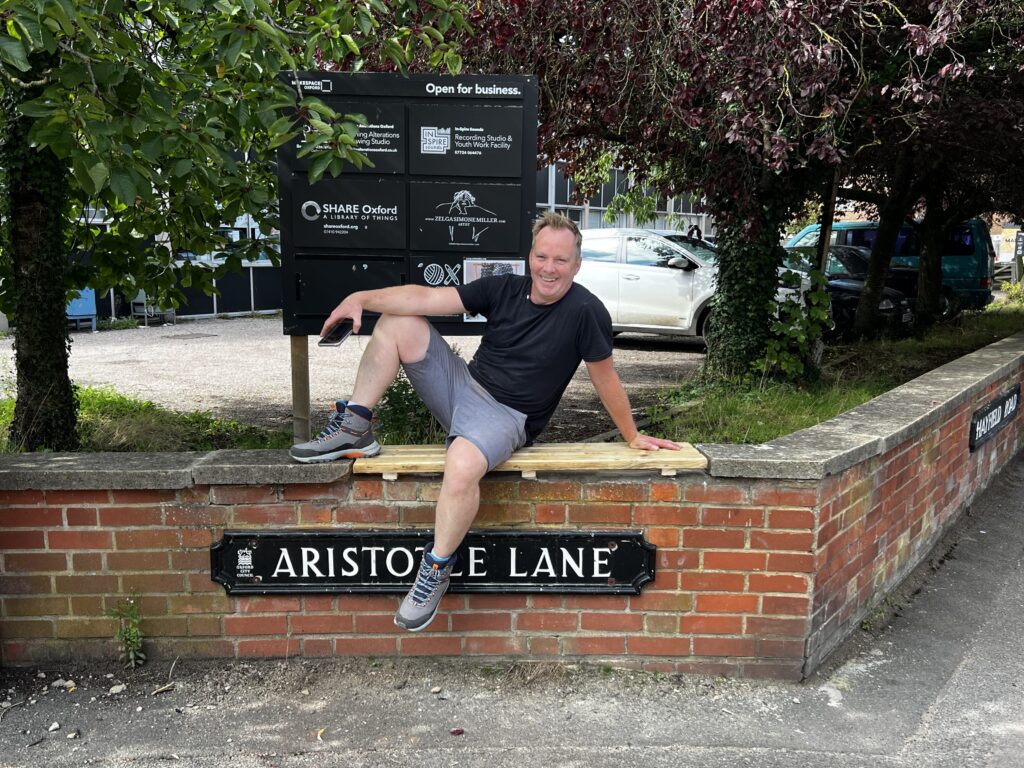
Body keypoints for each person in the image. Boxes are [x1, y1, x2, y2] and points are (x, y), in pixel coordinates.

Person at [290, 212, 680, 631]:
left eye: (560, 260)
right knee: (399, 321)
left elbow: (605, 378)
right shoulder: (504, 287)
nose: (549, 268)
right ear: (530, 255)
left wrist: (632, 434)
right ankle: (355, 427)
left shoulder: (586, 311)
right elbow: (423, 297)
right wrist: (361, 297)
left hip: (507, 416)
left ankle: (435, 569)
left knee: (460, 466)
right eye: (542, 256)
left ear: (577, 264)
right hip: (463, 387)